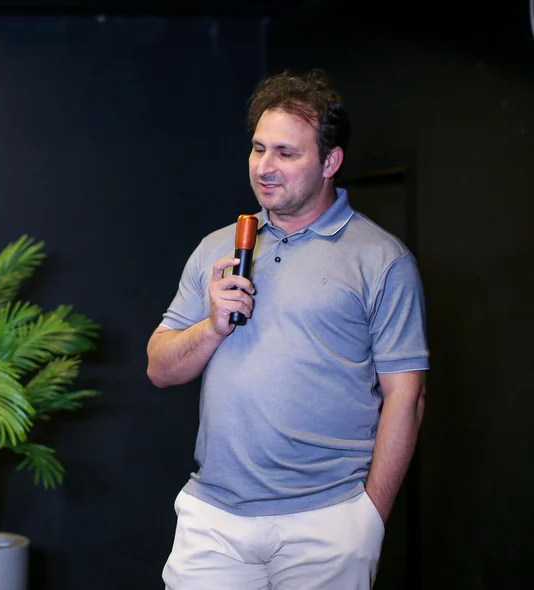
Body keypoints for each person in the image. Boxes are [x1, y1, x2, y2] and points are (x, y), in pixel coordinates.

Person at [147, 69, 428, 589]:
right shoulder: (219, 246)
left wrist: (369, 518)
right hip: (216, 517)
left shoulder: (381, 260)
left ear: (330, 161)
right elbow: (160, 369)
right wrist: (211, 328)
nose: (265, 168)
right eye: (258, 149)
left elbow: (405, 398)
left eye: (286, 153)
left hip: (328, 520)